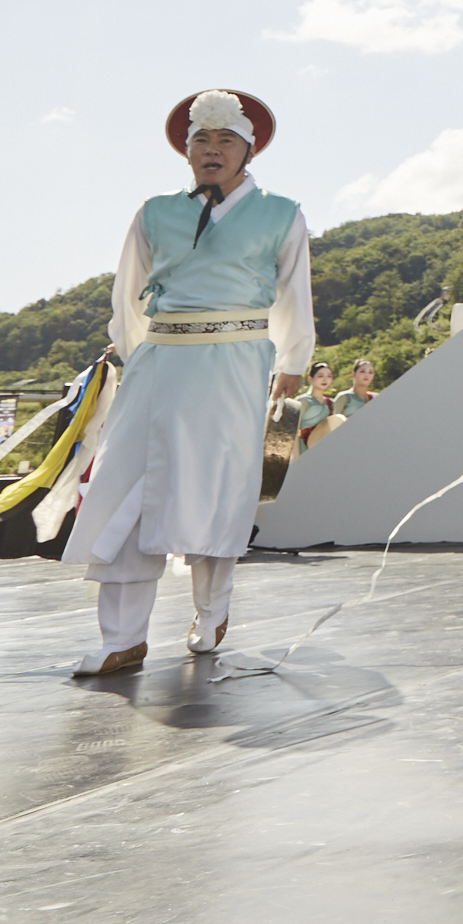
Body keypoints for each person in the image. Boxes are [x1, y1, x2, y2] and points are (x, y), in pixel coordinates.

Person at [66, 89, 313, 676]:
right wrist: (138, 353)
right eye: (201, 139)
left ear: (248, 150)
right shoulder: (154, 212)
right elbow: (127, 295)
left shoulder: (282, 213)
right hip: (160, 362)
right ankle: (122, 637)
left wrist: (292, 361)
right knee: (127, 491)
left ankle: (211, 608)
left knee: (214, 490)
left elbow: (294, 294)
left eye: (225, 140)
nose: (212, 150)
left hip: (234, 366)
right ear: (186, 150)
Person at [295, 361, 339, 451]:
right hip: (303, 447)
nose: (325, 379)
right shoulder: (303, 401)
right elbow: (293, 430)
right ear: (310, 378)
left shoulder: (331, 403)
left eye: (329, 376)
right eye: (320, 376)